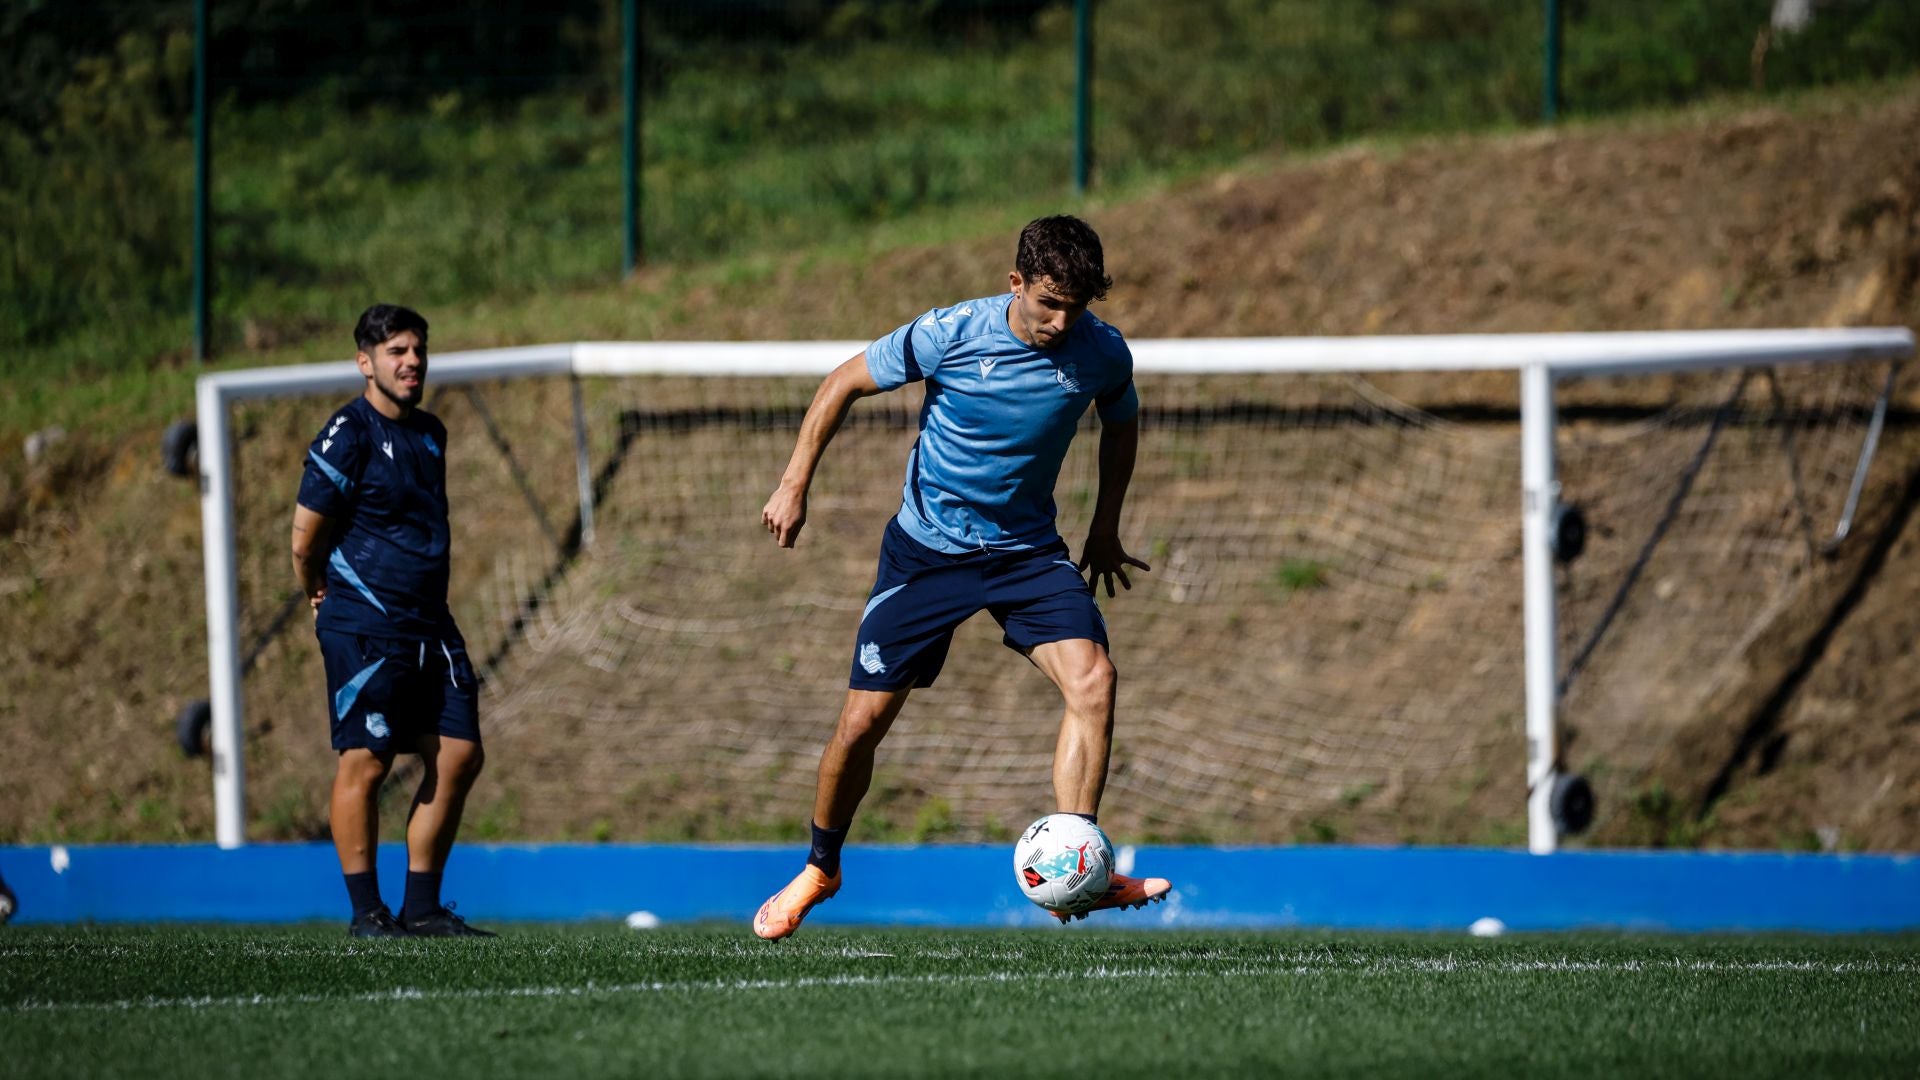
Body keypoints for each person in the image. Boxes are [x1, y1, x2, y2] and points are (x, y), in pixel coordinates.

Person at [753, 215, 1171, 940]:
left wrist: (1106, 526)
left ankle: (1077, 873)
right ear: (1015, 284)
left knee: (1094, 681)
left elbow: (1122, 421)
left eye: (1076, 306)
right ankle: (822, 865)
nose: (1061, 320)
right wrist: (794, 483)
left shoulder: (1101, 352)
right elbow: (843, 380)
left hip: (1026, 554)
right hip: (927, 554)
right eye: (1048, 302)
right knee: (861, 725)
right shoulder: (952, 333)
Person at [291, 304, 492, 938]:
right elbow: (304, 538)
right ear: (365, 362)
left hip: (430, 624)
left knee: (459, 754)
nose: (411, 362)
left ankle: (424, 907)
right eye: (396, 351)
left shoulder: (431, 433)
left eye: (417, 350)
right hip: (365, 625)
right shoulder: (345, 433)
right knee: (368, 761)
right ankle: (366, 912)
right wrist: (315, 588)